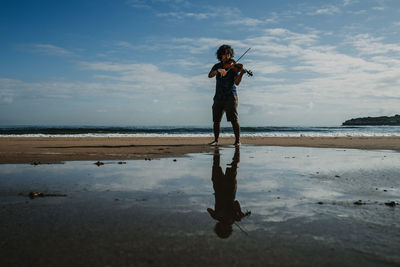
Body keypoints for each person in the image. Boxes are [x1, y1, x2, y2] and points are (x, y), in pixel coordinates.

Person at [208, 44, 248, 146]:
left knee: (234, 120)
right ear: (221, 55)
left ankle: (238, 141)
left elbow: (237, 82)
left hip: (230, 96)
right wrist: (218, 71)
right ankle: (216, 140)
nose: (227, 57)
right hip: (218, 96)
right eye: (225, 54)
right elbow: (210, 75)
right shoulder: (217, 66)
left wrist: (242, 74)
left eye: (229, 55)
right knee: (216, 120)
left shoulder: (234, 67)